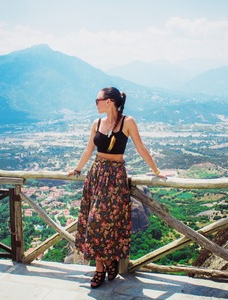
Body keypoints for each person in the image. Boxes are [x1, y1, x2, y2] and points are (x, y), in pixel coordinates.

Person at [67, 87, 166, 288]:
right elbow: (89, 149)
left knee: (104, 224)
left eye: (98, 100)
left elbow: (140, 147)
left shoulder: (127, 122)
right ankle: (103, 267)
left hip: (114, 178)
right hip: (96, 175)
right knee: (92, 222)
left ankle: (105, 267)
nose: (95, 103)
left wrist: (156, 171)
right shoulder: (97, 123)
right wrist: (77, 169)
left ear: (109, 101)